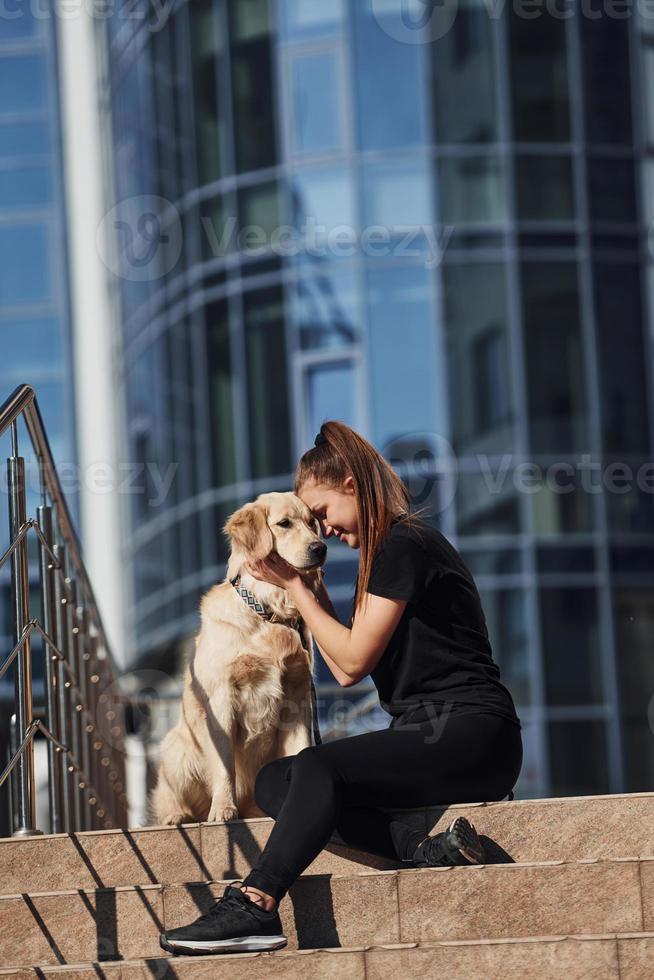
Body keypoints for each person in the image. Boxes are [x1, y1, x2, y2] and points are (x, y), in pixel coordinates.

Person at [160, 421, 523, 957]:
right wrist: (309, 593)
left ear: (351, 484)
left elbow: (351, 663)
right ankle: (421, 850)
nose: (320, 530)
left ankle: (253, 904)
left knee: (315, 766)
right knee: (273, 783)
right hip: (429, 736)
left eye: (322, 513)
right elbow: (344, 658)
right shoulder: (386, 556)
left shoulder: (406, 543)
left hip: (471, 731)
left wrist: (294, 590)